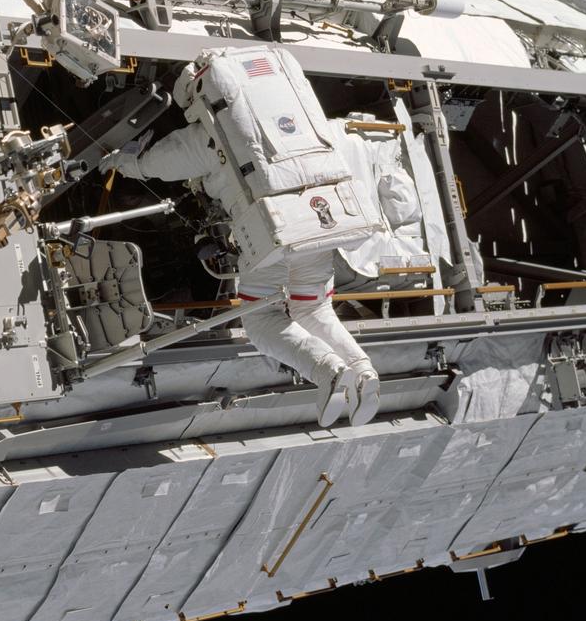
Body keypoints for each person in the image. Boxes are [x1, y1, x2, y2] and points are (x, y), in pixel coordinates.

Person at [101, 48, 383, 427]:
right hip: (326, 221)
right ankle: (363, 371)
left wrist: (119, 161)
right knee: (313, 309)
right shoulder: (297, 109)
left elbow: (156, 164)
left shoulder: (210, 133)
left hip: (276, 235)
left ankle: (329, 373)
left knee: (263, 320)